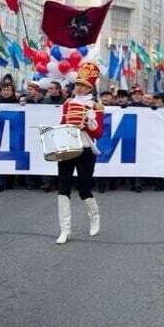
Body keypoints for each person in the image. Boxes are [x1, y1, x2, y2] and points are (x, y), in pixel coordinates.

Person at [55, 62, 104, 244]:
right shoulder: (67, 104)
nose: (79, 88)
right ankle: (64, 230)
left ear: (89, 87)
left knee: (84, 188)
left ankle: (95, 217)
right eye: (77, 84)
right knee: (63, 188)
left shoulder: (96, 106)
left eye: (83, 85)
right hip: (68, 147)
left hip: (85, 149)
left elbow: (98, 133)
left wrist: (90, 123)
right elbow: (62, 122)